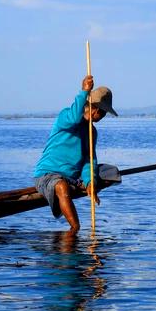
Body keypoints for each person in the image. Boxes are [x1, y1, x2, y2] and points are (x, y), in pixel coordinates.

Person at [34, 75, 118, 234]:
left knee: (111, 172)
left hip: (73, 176)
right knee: (60, 185)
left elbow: (89, 159)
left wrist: (89, 181)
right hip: (48, 174)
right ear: (95, 110)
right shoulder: (65, 117)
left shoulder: (91, 132)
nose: (104, 116)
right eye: (104, 113)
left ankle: (91, 187)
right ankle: (74, 229)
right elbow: (74, 117)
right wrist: (84, 92)